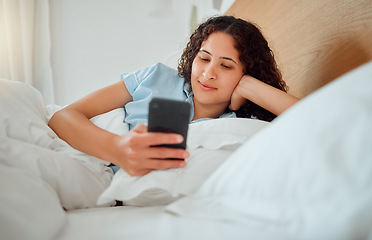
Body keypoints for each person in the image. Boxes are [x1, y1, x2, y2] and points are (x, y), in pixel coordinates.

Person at [48, 15, 299, 176]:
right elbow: (63, 116)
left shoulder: (242, 125)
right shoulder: (156, 77)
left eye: (226, 65)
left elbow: (318, 116)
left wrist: (250, 88)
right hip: (90, 169)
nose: (208, 74)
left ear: (247, 73)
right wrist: (118, 149)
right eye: (204, 58)